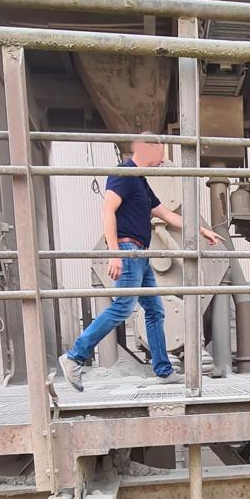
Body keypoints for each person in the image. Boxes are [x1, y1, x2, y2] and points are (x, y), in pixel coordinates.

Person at [59, 137, 221, 391]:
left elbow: (166, 214)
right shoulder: (124, 174)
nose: (162, 161)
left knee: (155, 310)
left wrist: (201, 230)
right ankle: (74, 357)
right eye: (160, 155)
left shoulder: (141, 182)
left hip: (141, 255)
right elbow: (107, 210)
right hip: (127, 250)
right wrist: (114, 253)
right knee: (122, 308)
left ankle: (163, 371)